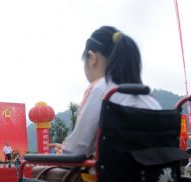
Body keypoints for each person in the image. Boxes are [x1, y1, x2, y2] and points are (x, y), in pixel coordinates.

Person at [49, 26, 161, 157]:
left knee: (41, 170)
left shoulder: (103, 89)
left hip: (114, 176)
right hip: (156, 176)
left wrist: (63, 151)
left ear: (92, 58)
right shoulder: (151, 100)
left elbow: (75, 151)